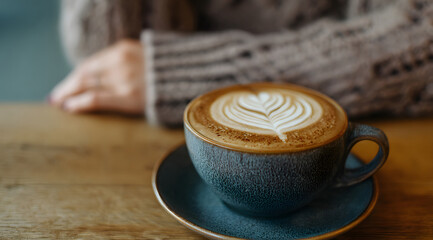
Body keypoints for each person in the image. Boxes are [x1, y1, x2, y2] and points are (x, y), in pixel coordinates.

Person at [50, 0, 433, 126]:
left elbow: (421, 42)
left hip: (372, 136)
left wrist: (199, 74)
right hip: (155, 146)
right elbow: (108, 58)